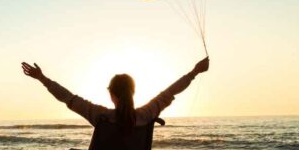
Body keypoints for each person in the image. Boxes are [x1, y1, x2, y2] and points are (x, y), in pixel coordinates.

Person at [20, 58, 210, 129]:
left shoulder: (100, 116)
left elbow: (67, 97)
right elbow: (170, 91)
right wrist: (194, 72)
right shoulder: (146, 114)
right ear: (133, 91)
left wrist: (42, 78)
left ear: (111, 94)